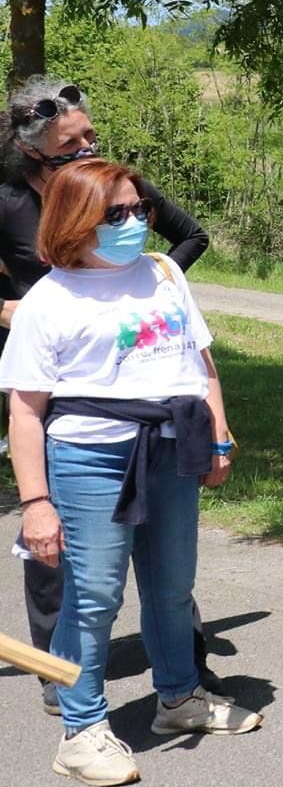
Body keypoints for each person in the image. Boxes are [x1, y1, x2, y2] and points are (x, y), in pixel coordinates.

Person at [1, 159, 258, 786]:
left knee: (173, 587)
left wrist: (217, 435)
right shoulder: (50, 300)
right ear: (75, 219)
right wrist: (36, 503)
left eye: (138, 208)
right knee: (93, 597)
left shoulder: (165, 272)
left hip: (173, 447)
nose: (134, 221)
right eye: (115, 213)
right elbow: (26, 412)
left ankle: (178, 697)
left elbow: (200, 361)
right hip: (91, 457)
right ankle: (81, 730)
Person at [1, 75, 216, 714]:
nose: (88, 144)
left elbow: (189, 238)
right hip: (57, 382)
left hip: (145, 388)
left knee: (165, 570)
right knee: (68, 564)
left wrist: (141, 286)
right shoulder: (10, 203)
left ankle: (181, 679)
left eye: (89, 132)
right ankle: (59, 677)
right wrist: (11, 308)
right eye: (73, 139)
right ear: (34, 149)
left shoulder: (123, 192)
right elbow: (26, 410)